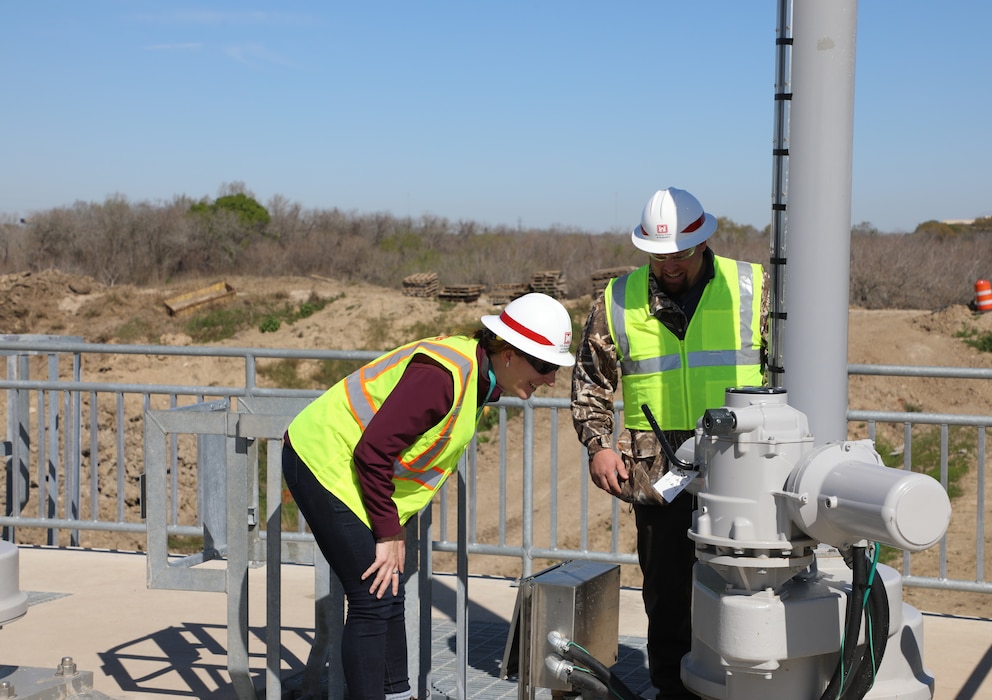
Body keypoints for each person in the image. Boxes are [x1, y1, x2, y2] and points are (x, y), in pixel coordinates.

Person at [283, 292, 575, 700]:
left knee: (388, 592)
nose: (550, 379)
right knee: (370, 597)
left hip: (354, 474)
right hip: (323, 462)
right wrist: (388, 532)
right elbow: (373, 450)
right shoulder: (443, 376)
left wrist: (389, 524)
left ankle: (397, 694)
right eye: (544, 366)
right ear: (508, 353)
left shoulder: (477, 378)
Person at [571, 187, 767, 699]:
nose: (671, 265)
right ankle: (674, 689)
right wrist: (598, 445)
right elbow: (591, 381)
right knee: (668, 592)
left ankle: (743, 682)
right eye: (660, 256)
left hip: (742, 461)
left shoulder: (755, 289)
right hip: (658, 470)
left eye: (680, 253)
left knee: (748, 583)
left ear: (703, 242)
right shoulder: (617, 300)